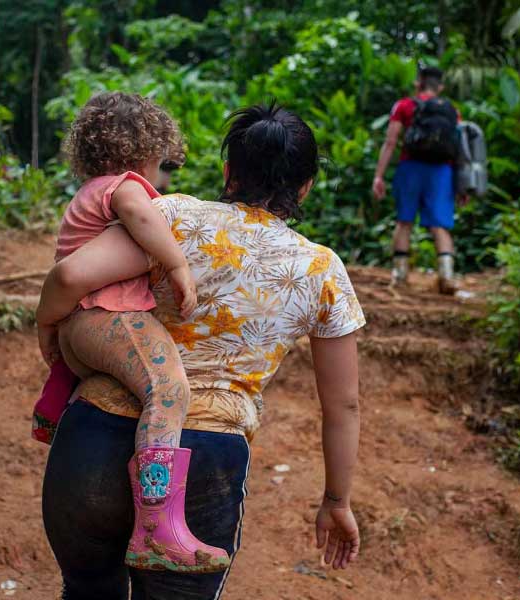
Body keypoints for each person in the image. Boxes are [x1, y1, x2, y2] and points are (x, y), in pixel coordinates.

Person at [37, 103, 364, 599]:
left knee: (88, 590)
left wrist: (52, 331)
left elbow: (72, 276)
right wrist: (336, 500)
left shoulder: (168, 216)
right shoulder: (322, 270)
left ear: (229, 171)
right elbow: (343, 405)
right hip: (205, 459)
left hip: (92, 439)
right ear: (306, 186)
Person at [35, 91, 230, 573]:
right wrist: (177, 262)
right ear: (148, 147)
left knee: (135, 388)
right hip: (108, 317)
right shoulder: (125, 187)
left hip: (82, 327)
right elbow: (142, 215)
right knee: (167, 389)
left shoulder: (90, 191)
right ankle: (156, 526)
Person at [372, 66, 463, 294]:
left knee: (404, 222)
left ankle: (400, 276)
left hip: (410, 168)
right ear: (440, 86)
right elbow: (461, 149)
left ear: (418, 83)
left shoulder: (405, 106)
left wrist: (379, 175)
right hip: (442, 171)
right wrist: (463, 185)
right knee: (440, 225)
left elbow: (391, 141)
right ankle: (447, 276)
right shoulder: (452, 110)